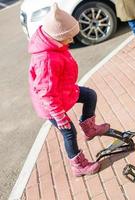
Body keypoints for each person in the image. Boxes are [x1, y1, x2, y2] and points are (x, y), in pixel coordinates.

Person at [28, 3, 110, 177]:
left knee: (89, 95)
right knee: (68, 132)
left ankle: (90, 128)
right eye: (69, 37)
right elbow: (46, 93)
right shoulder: (45, 59)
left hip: (64, 91)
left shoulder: (54, 45)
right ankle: (78, 165)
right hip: (51, 105)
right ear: (57, 37)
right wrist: (59, 117)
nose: (72, 40)